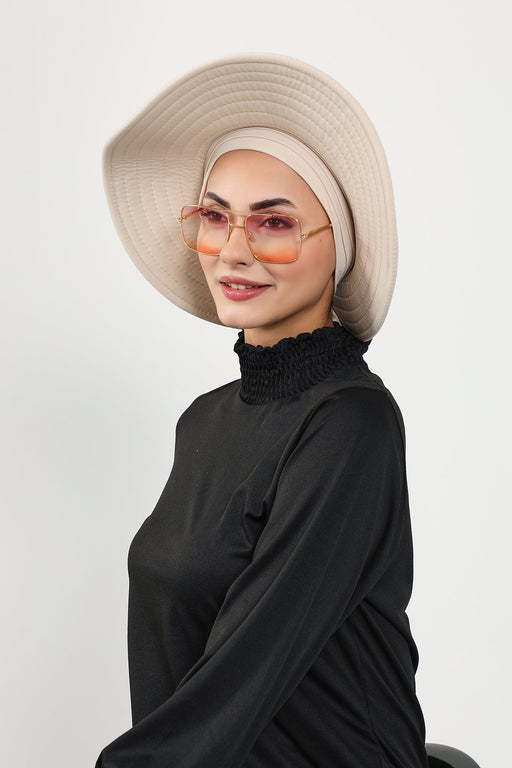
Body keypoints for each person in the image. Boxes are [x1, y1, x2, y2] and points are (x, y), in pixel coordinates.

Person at [96, 53, 427, 767]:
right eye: (216, 218)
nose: (233, 251)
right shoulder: (204, 421)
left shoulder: (351, 424)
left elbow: (252, 660)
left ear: (338, 248)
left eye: (274, 222)